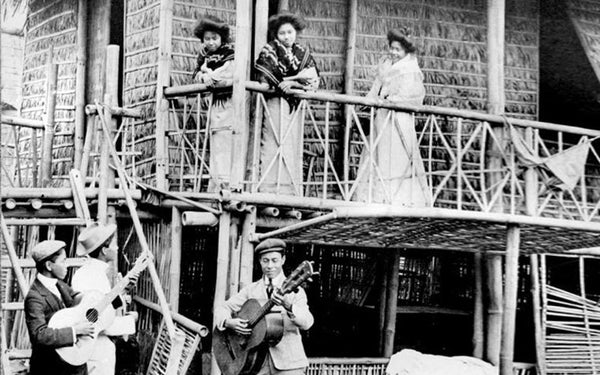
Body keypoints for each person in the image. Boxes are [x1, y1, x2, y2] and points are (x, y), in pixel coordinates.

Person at [353, 27, 431, 206]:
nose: (394, 53)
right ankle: (375, 197)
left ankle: (399, 198)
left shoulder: (410, 70)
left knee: (396, 155)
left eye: (398, 50)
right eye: (392, 48)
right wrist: (368, 103)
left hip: (399, 119)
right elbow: (376, 88)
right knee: (378, 153)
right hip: (381, 116)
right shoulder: (386, 65)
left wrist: (391, 99)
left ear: (406, 52)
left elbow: (412, 97)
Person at [214, 238, 314, 375]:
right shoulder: (251, 290)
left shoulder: (295, 292)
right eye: (265, 261)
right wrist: (228, 322)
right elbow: (222, 308)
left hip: (289, 363)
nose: (270, 266)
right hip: (255, 364)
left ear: (283, 260)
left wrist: (288, 305)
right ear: (260, 261)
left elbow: (307, 322)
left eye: (275, 260)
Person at [255, 12, 320, 196]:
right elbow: (265, 77)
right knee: (274, 142)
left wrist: (292, 83)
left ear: (296, 33)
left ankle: (289, 191)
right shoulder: (269, 51)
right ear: (276, 35)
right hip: (275, 103)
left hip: (294, 106)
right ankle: (269, 189)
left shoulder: (302, 53)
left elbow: (313, 81)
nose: (286, 37)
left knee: (291, 144)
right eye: (282, 33)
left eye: (290, 32)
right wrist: (280, 82)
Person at [72, 223, 138, 375]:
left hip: (92, 346)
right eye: (114, 245)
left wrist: (123, 289)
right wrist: (131, 320)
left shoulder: (87, 273)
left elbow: (102, 306)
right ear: (103, 250)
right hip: (95, 348)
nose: (116, 248)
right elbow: (97, 321)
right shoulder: (94, 277)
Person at [25, 240, 95, 375]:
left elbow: (77, 300)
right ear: (49, 265)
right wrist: (75, 330)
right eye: (63, 261)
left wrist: (94, 297)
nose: (66, 266)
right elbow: (39, 335)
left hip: (71, 362)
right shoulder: (35, 297)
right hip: (50, 367)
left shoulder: (60, 285)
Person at [192, 15, 235, 192]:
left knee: (227, 140)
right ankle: (216, 185)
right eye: (207, 39)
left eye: (214, 38)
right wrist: (203, 76)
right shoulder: (204, 56)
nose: (211, 43)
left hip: (230, 102)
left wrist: (211, 76)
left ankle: (228, 184)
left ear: (221, 38)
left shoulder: (229, 54)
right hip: (215, 103)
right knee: (216, 142)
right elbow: (196, 75)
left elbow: (228, 73)